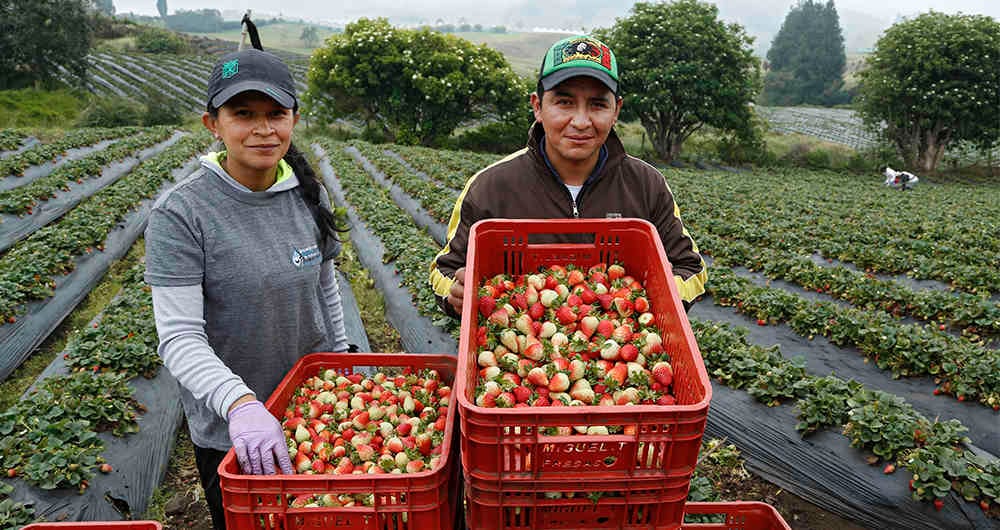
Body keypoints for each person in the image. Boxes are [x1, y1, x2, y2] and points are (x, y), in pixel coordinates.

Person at [144, 48, 349, 530]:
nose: (263, 129)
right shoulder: (182, 213)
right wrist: (241, 404)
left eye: (276, 114)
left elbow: (325, 290)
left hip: (311, 409)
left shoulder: (308, 194)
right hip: (235, 431)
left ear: (294, 118)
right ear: (212, 124)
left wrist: (341, 360)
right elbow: (179, 337)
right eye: (243, 114)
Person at [429, 35, 707, 316]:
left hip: (621, 329)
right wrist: (455, 292)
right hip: (515, 329)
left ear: (616, 111)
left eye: (597, 105)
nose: (581, 121)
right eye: (564, 102)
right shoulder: (490, 186)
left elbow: (691, 268)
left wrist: (663, 293)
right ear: (537, 106)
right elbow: (446, 270)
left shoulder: (646, 184)